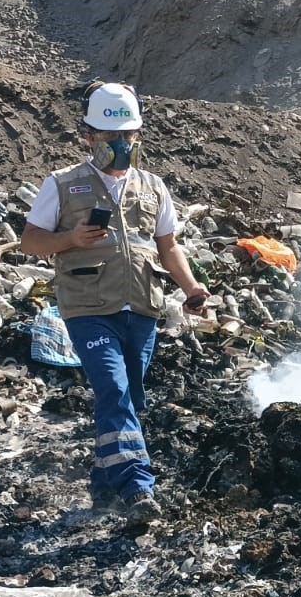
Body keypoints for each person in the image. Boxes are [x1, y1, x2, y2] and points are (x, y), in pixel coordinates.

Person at [20, 81, 209, 523]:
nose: (121, 145)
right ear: (89, 136)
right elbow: (29, 242)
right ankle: (137, 488)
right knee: (113, 386)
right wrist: (69, 238)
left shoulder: (153, 187)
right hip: (87, 306)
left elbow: (168, 246)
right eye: (111, 138)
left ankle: (104, 485)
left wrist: (192, 288)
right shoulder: (63, 185)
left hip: (142, 304)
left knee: (131, 398)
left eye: (128, 137)